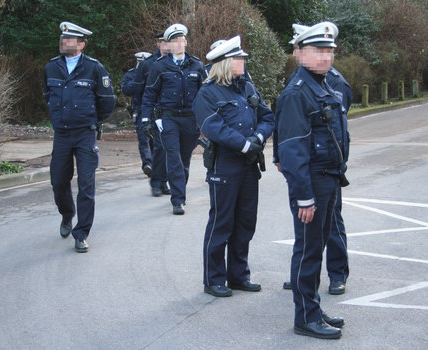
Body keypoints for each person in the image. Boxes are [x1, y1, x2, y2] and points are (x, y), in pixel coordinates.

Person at [275, 21, 349, 339]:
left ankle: (313, 307)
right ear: (300, 53)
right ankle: (305, 316)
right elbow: (292, 150)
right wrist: (304, 195)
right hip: (313, 183)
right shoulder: (298, 93)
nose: (325, 57)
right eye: (318, 51)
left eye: (329, 51)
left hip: (328, 178)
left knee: (316, 248)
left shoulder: (320, 84)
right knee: (307, 251)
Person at [193, 36, 274, 297]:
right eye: (239, 58)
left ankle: (238, 276)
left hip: (249, 165)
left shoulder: (247, 87)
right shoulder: (208, 92)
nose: (243, 61)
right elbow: (212, 127)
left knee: (245, 222)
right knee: (222, 222)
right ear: (226, 63)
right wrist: (244, 145)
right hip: (225, 166)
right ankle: (213, 279)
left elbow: (267, 117)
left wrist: (257, 139)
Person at [43, 21, 115, 253]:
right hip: (62, 134)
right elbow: (47, 96)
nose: (64, 41)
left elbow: (107, 101)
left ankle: (81, 232)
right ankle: (67, 214)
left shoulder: (94, 68)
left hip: (85, 134)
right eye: (63, 38)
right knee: (58, 181)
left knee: (86, 185)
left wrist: (93, 120)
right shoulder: (51, 68)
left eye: (70, 39)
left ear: (82, 44)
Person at [142, 23, 207, 214]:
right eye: (175, 41)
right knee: (173, 157)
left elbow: (206, 94)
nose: (179, 44)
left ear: (186, 42)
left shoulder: (197, 65)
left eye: (181, 40)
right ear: (168, 45)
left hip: (190, 120)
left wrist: (209, 118)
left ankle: (180, 188)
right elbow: (149, 95)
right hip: (168, 118)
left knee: (184, 159)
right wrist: (146, 119)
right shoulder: (159, 67)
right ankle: (178, 200)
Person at [133, 33, 171, 197]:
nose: (166, 45)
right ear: (157, 43)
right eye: (163, 42)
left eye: (169, 42)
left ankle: (163, 182)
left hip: (170, 112)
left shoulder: (175, 63)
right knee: (159, 148)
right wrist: (142, 114)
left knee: (169, 149)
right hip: (153, 112)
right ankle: (157, 183)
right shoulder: (147, 65)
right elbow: (138, 91)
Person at [121, 52, 153, 177]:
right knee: (143, 138)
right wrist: (138, 81)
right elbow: (126, 90)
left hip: (154, 109)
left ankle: (156, 164)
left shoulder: (154, 72)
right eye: (140, 62)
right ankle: (147, 164)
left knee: (154, 138)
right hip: (139, 110)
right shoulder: (131, 74)